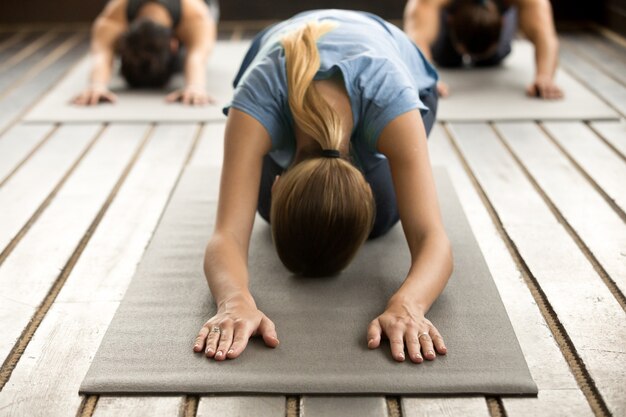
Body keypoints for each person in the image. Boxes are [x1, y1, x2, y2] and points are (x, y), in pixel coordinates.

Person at [192, 9, 453, 364]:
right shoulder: (257, 98)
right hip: (283, 42)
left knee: (378, 219)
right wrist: (233, 300)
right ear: (278, 181)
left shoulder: (391, 99)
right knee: (296, 216)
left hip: (395, 65)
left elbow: (432, 238)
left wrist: (409, 305)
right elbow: (227, 236)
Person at [404, 0, 563, 99]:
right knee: (446, 59)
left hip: (495, 27)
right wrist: (426, 78)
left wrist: (544, 77)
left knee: (492, 59)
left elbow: (545, 34)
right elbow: (417, 36)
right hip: (450, 35)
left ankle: (491, 50)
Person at [72, 0, 219, 106]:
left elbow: (197, 57)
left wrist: (195, 86)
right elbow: (101, 55)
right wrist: (96, 85)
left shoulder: (197, 15)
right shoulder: (113, 16)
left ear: (174, 44)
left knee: (179, 64)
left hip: (196, 13)